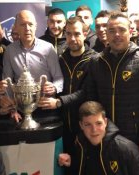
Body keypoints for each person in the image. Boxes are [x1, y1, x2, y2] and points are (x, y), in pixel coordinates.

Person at [84, 11, 139, 173]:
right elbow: (91, 100)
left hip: (135, 137)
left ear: (130, 32)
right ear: (106, 33)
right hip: (105, 135)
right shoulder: (96, 61)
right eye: (112, 31)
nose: (116, 35)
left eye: (121, 30)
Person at [38, 16, 97, 167]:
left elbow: (86, 92)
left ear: (85, 34)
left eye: (77, 34)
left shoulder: (94, 60)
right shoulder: (61, 59)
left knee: (86, 166)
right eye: (69, 34)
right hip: (64, 125)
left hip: (86, 125)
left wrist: (58, 102)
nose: (72, 38)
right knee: (66, 167)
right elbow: (58, 85)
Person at [2, 10, 64, 122]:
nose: (27, 28)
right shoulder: (10, 51)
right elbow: (8, 82)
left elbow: (59, 77)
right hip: (21, 110)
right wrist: (12, 109)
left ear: (35, 26)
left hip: (45, 107)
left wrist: (54, 87)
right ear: (15, 27)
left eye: (30, 24)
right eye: (22, 24)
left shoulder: (48, 48)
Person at [58, 101, 139, 175]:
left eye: (98, 123)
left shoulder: (126, 148)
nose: (94, 130)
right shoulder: (80, 143)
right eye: (88, 125)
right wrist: (71, 161)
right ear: (81, 125)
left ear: (105, 122)